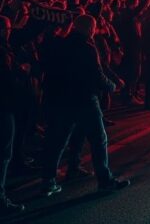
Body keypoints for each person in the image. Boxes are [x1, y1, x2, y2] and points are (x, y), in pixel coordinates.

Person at [39, 15, 130, 196]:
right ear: (90, 29)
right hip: (84, 98)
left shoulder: (61, 43)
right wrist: (112, 86)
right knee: (98, 139)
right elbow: (96, 74)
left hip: (62, 99)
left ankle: (50, 180)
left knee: (60, 140)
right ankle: (105, 180)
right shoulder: (87, 47)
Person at [0, 16, 25, 215]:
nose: (10, 31)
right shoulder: (2, 52)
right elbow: (8, 80)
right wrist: (20, 73)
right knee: (3, 155)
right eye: (7, 28)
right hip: (4, 106)